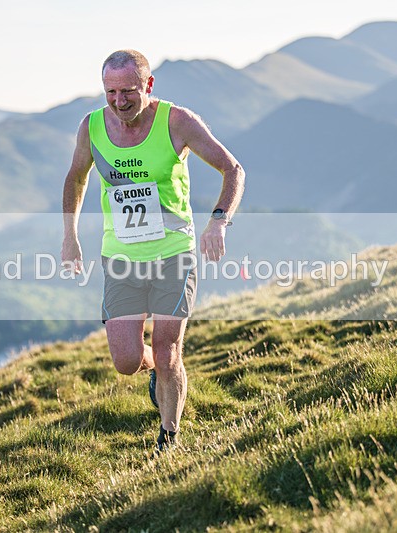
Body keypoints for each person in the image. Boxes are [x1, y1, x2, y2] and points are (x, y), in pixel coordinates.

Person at [61, 49, 245, 451]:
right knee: (126, 360)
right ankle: (155, 370)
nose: (119, 100)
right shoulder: (91, 127)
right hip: (122, 256)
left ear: (148, 85)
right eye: (110, 91)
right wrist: (70, 235)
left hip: (173, 252)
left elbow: (233, 169)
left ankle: (169, 435)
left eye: (128, 90)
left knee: (168, 348)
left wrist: (218, 221)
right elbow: (76, 177)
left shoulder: (177, 122)